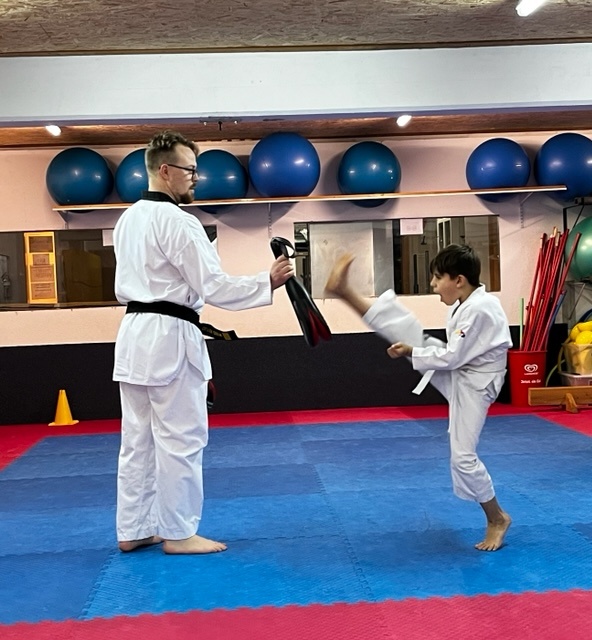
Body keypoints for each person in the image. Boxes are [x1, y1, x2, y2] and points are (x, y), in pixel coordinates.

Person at [112, 131, 293, 555]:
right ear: (165, 170)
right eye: (190, 170)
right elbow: (213, 286)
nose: (196, 177)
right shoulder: (178, 221)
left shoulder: (128, 220)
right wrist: (266, 281)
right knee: (182, 438)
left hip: (134, 334)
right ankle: (178, 533)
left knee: (137, 440)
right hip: (170, 336)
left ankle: (134, 528)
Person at [325, 243, 512, 551]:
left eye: (438, 277)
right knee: (408, 332)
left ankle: (497, 517)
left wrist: (413, 351)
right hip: (463, 369)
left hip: (476, 384)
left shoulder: (480, 308)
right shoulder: (466, 304)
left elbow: (452, 357)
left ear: (459, 280)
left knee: (463, 458)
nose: (433, 285)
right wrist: (413, 349)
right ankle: (346, 293)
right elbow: (454, 355)